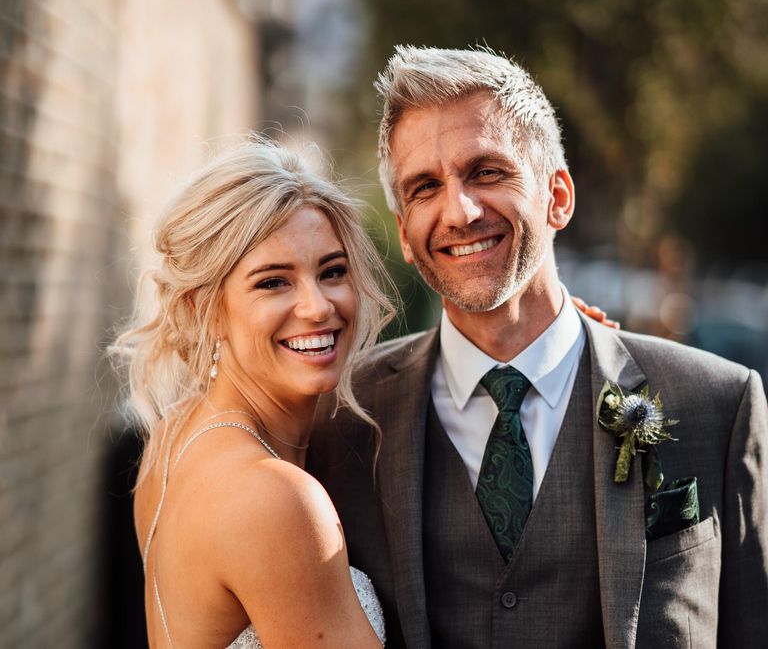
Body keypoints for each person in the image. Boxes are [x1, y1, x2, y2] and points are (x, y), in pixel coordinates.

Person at [308, 46, 768, 648]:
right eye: (424, 187)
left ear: (558, 196)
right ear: (405, 234)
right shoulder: (342, 419)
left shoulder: (718, 404)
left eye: (487, 172)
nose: (460, 211)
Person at [111, 139, 390, 648]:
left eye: (332, 272)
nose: (317, 306)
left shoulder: (176, 435)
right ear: (204, 309)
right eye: (273, 283)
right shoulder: (277, 498)